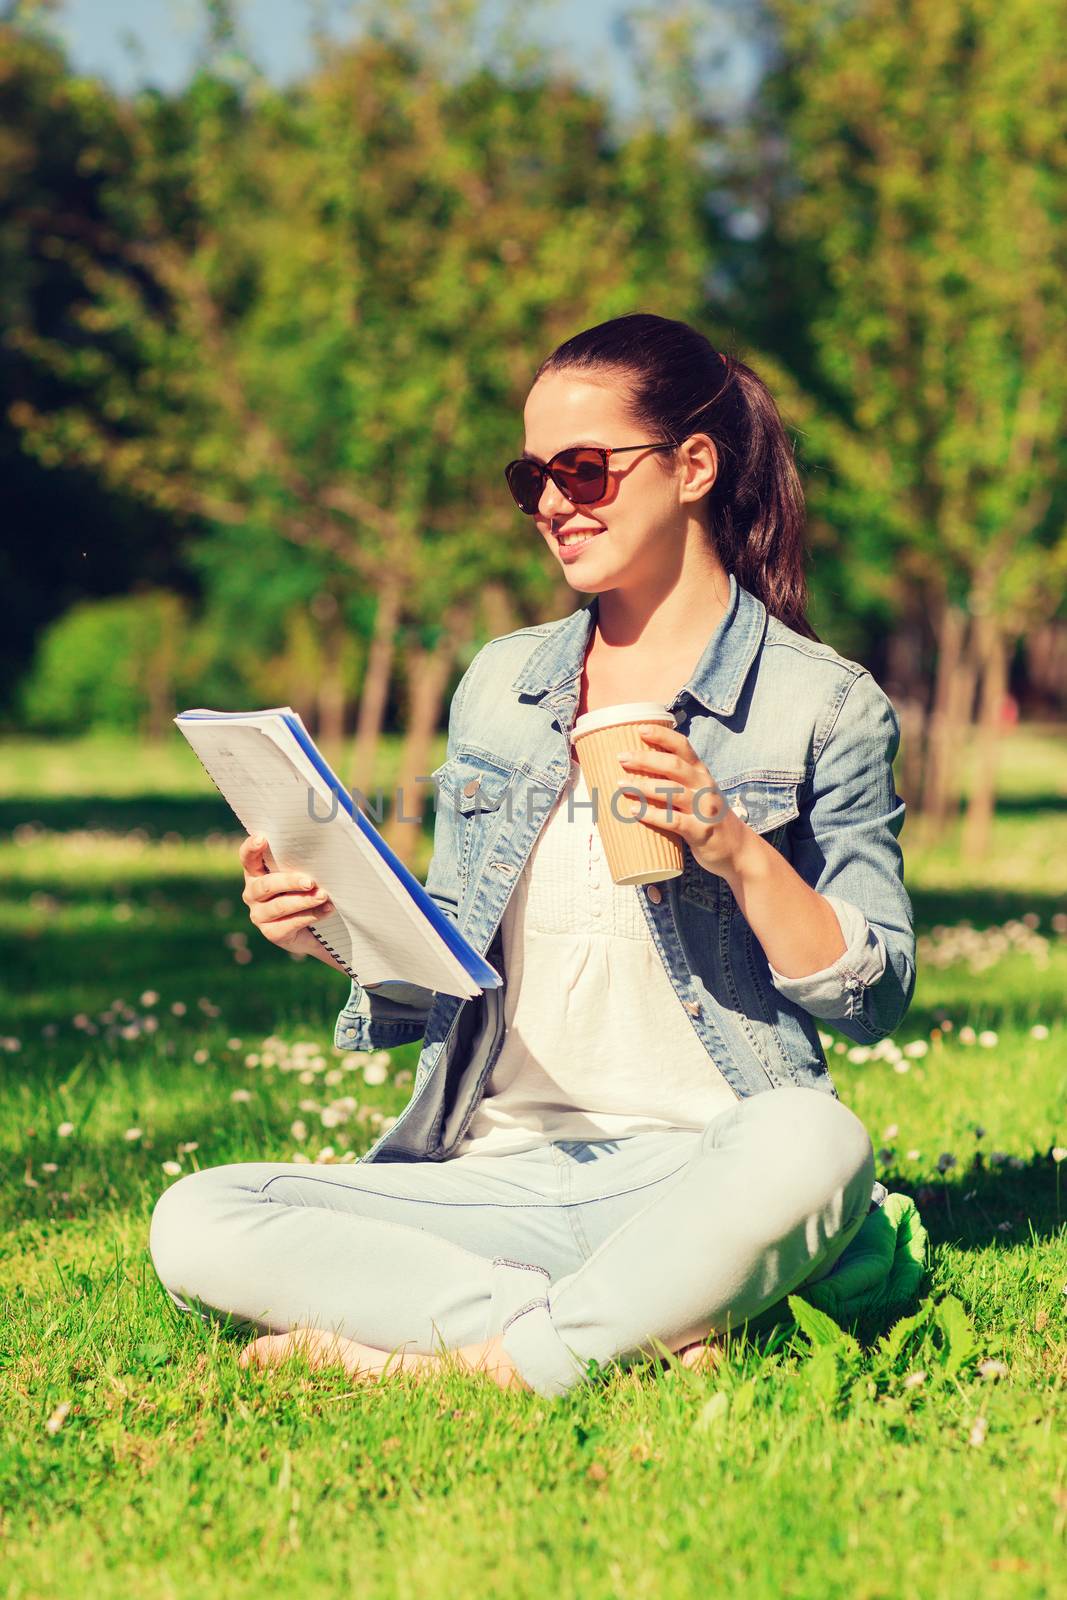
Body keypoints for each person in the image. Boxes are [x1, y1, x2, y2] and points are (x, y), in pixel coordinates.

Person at [149, 313, 915, 1399]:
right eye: (531, 477)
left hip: (707, 1160)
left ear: (692, 466)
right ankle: (595, 1329)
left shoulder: (822, 704)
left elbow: (873, 992)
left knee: (818, 1144)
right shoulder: (500, 686)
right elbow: (446, 966)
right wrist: (329, 924)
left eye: (584, 469)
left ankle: (468, 1357)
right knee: (197, 1217)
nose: (553, 502)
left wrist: (734, 848)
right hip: (495, 1173)